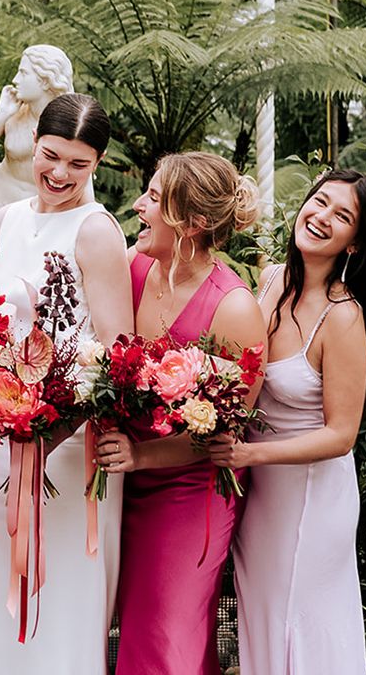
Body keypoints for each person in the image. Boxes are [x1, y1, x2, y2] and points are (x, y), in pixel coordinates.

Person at [0, 92, 133, 675]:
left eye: (78, 163)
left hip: (66, 446)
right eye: (51, 155)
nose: (60, 173)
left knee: (62, 599)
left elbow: (116, 354)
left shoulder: (97, 231)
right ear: (33, 145)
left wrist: (49, 430)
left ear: (98, 164)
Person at [208, 169, 366, 675]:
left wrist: (250, 453)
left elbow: (341, 435)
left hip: (312, 500)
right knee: (263, 617)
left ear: (355, 244)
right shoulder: (269, 280)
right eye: (320, 202)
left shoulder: (342, 316)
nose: (322, 217)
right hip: (259, 493)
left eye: (343, 216)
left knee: (305, 626)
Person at [94, 151, 265, 675]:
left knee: (169, 642)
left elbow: (229, 429)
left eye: (152, 198)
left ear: (190, 223)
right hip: (121, 481)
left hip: (189, 494)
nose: (138, 206)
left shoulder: (234, 308)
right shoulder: (132, 267)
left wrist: (142, 455)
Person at [0, 44, 76, 244]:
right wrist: (2, 112)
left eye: (23, 73)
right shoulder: (14, 114)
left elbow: (84, 180)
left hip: (39, 214)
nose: (15, 80)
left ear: (45, 82)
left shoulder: (70, 126)